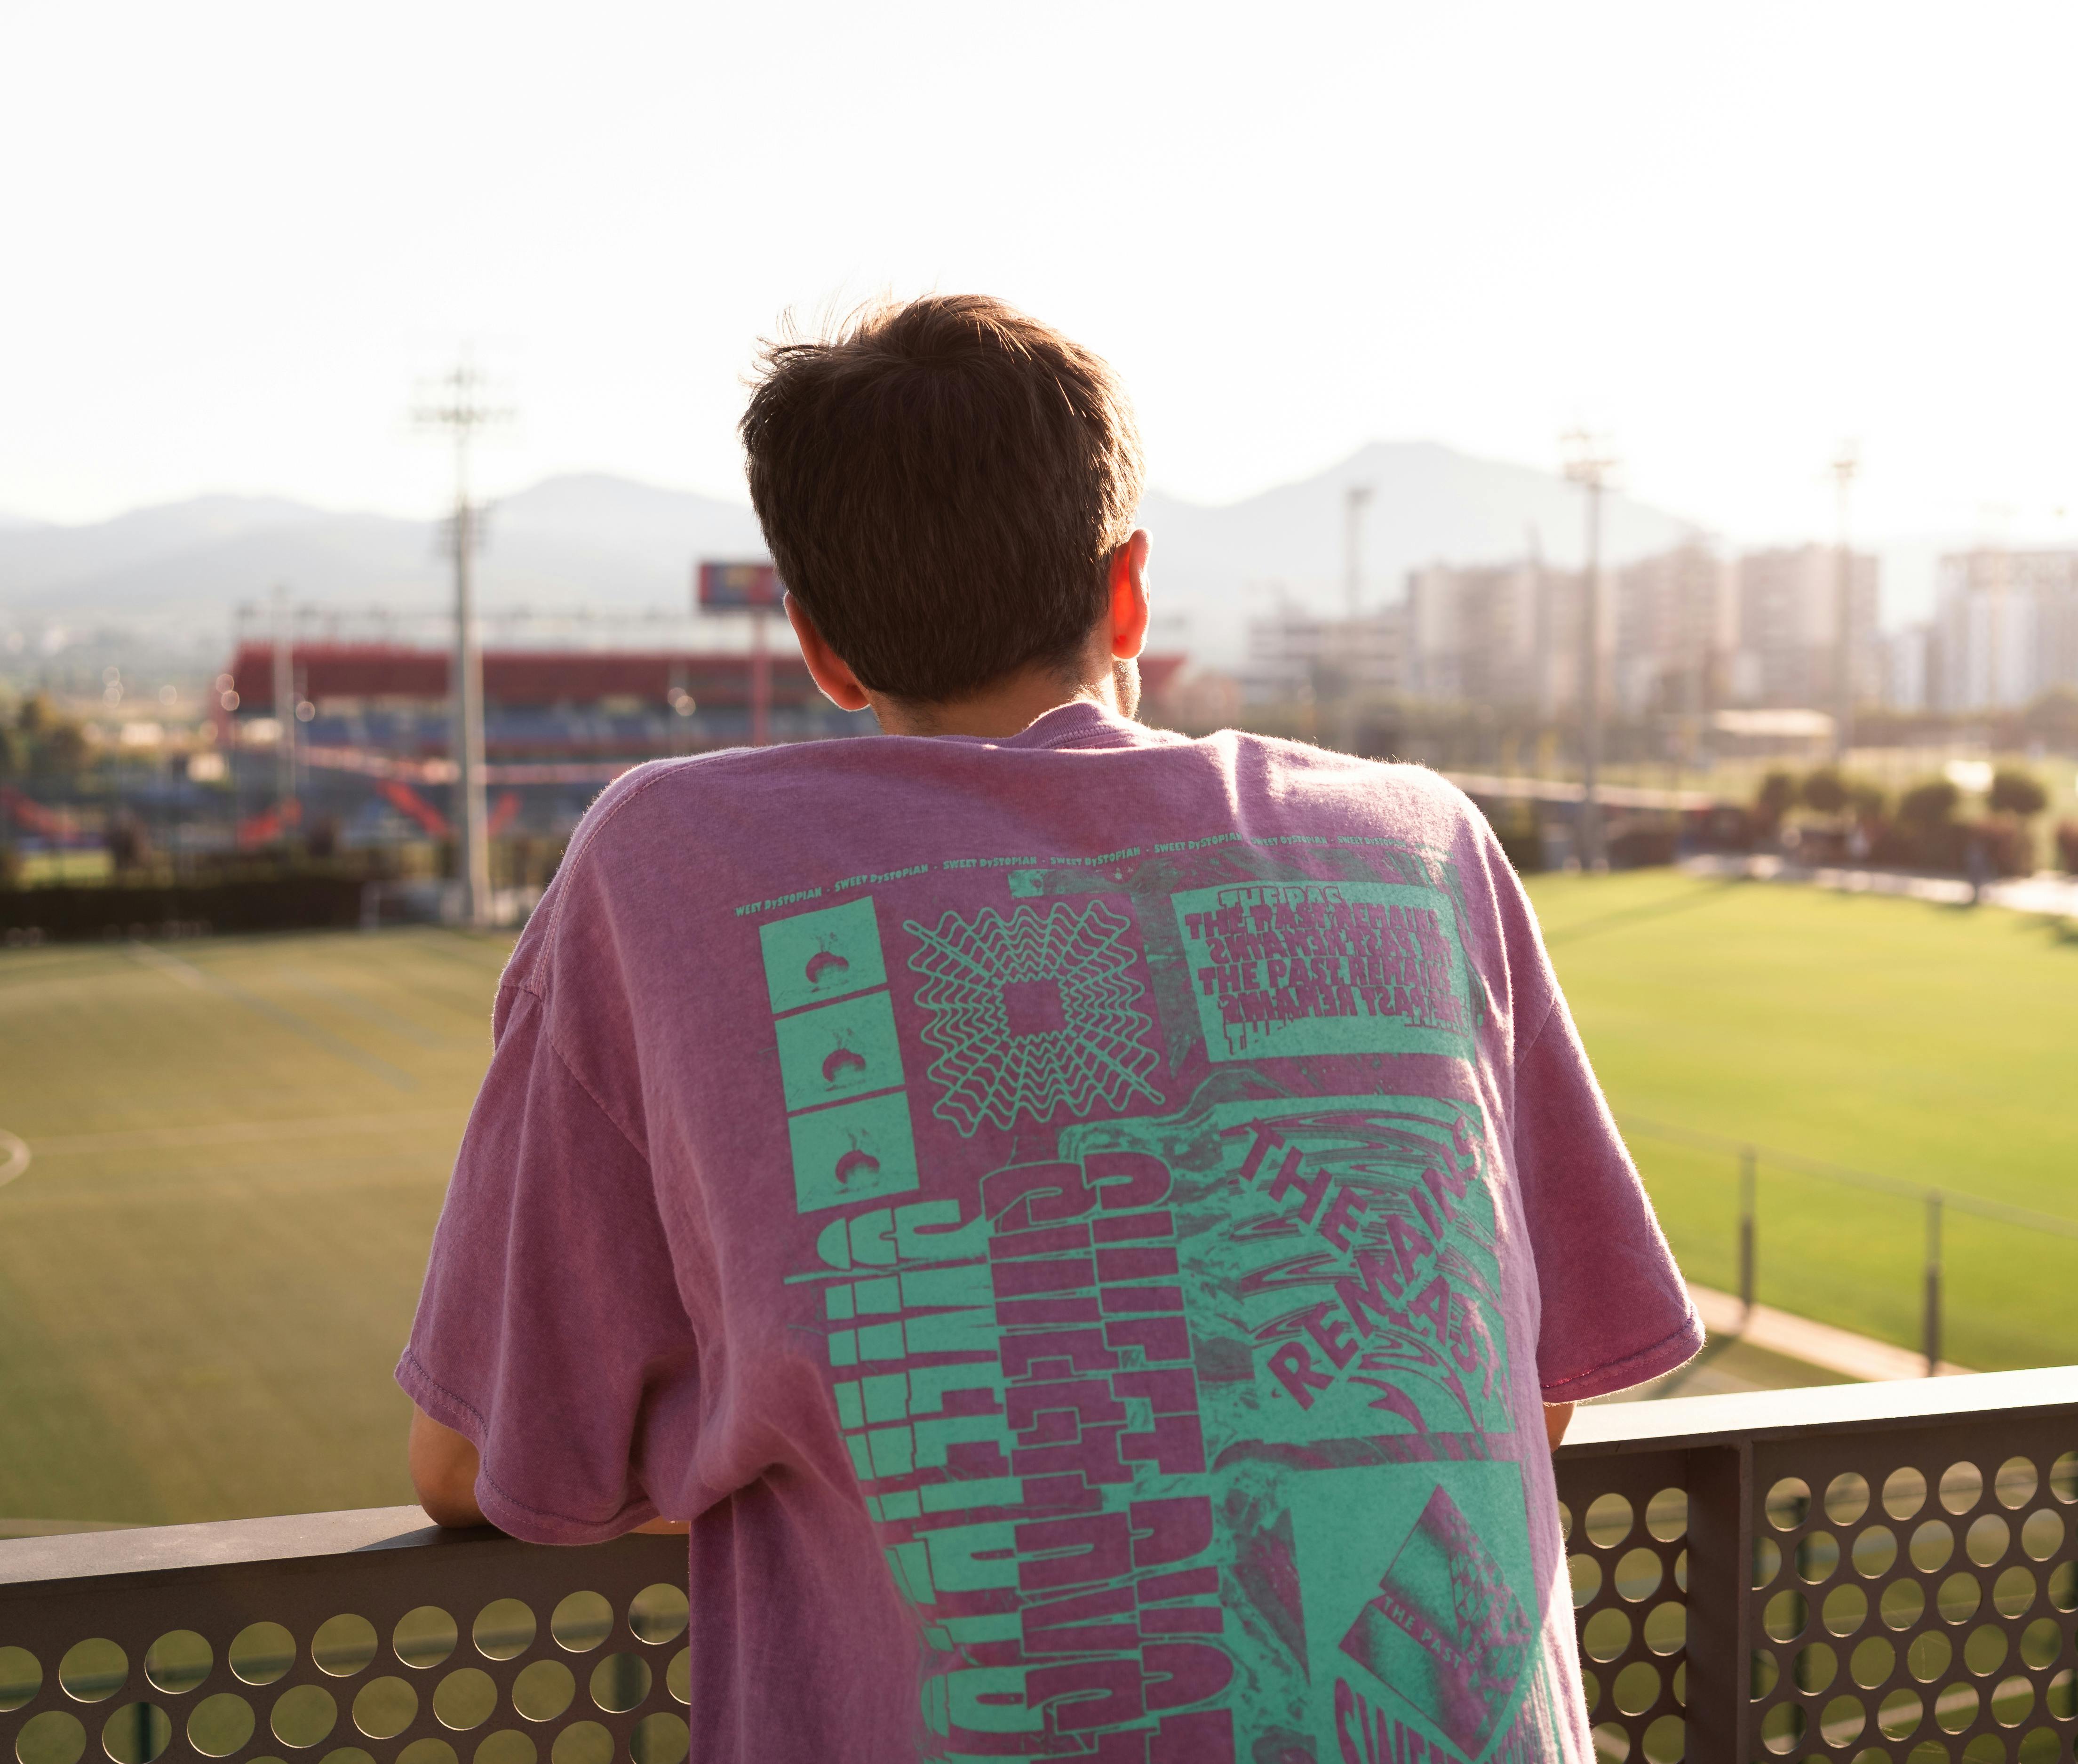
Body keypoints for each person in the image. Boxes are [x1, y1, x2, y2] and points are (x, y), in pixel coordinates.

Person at [399, 294, 1701, 1764]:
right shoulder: (1419, 838)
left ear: (821, 646)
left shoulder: (664, 859)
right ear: (1130, 593)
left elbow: (480, 1460)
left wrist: (775, 1429)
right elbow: (1546, 1382)